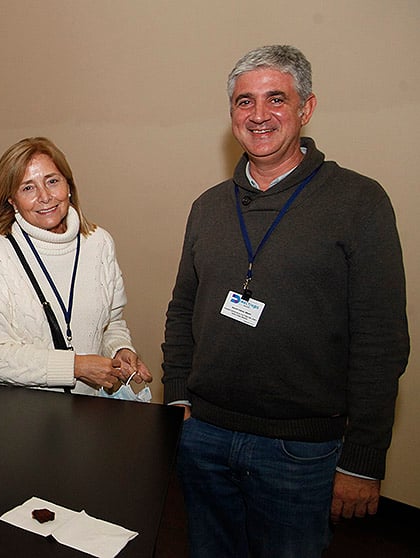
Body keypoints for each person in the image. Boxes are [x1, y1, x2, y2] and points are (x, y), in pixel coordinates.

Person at [162, 45, 409, 558]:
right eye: (244, 101)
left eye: (276, 99)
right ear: (231, 113)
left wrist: (362, 461)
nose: (259, 115)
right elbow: (183, 309)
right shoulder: (208, 207)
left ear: (306, 108)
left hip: (301, 451)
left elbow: (381, 341)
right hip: (204, 438)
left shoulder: (359, 203)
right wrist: (179, 400)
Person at [0, 137, 152, 396]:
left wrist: (120, 350)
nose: (45, 197)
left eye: (52, 181)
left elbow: (111, 323)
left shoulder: (99, 243)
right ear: (11, 200)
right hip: (20, 413)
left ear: (69, 185)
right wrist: (76, 366)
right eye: (28, 188)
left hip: (88, 411)